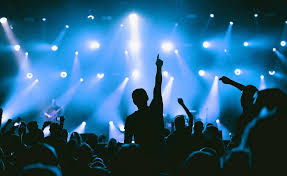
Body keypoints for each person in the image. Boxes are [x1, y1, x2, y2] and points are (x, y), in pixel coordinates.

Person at [124, 54, 164, 150]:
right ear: (147, 97)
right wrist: (159, 68)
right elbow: (157, 88)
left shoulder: (131, 119)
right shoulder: (155, 110)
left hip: (141, 157)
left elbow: (127, 143)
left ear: (134, 101)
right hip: (159, 154)